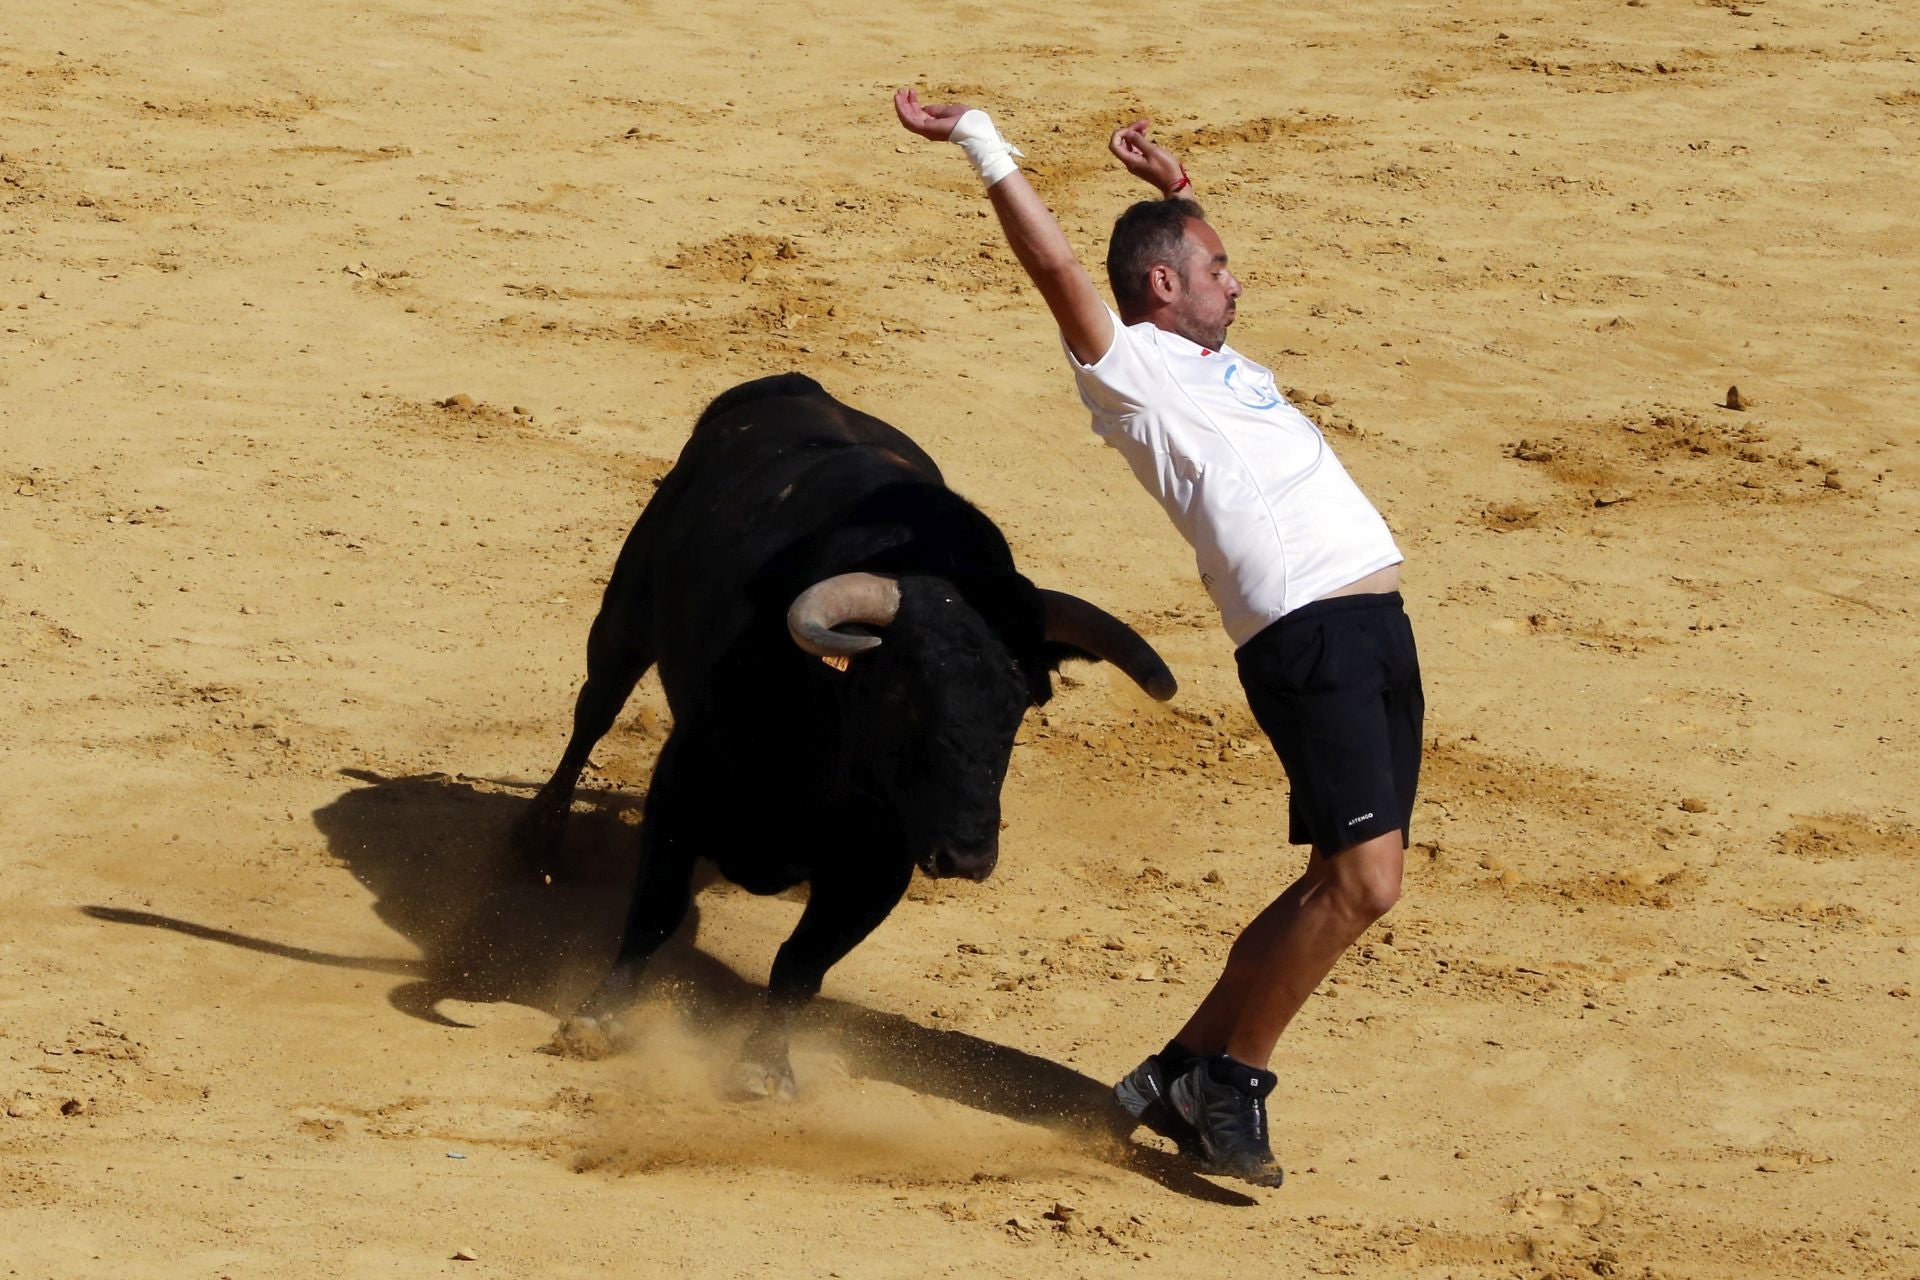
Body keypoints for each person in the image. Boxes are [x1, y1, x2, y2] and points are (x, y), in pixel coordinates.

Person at [893, 88, 1424, 1188]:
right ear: (1163, 288)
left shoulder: (1220, 365)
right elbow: (1060, 274)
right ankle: (1231, 1080)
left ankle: (1180, 1063)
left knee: (1339, 873)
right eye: (1216, 265)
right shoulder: (1131, 378)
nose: (1239, 279)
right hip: (1307, 632)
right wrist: (984, 141)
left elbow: (1175, 262)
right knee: (1368, 884)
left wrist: (1177, 194)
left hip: (1374, 621)